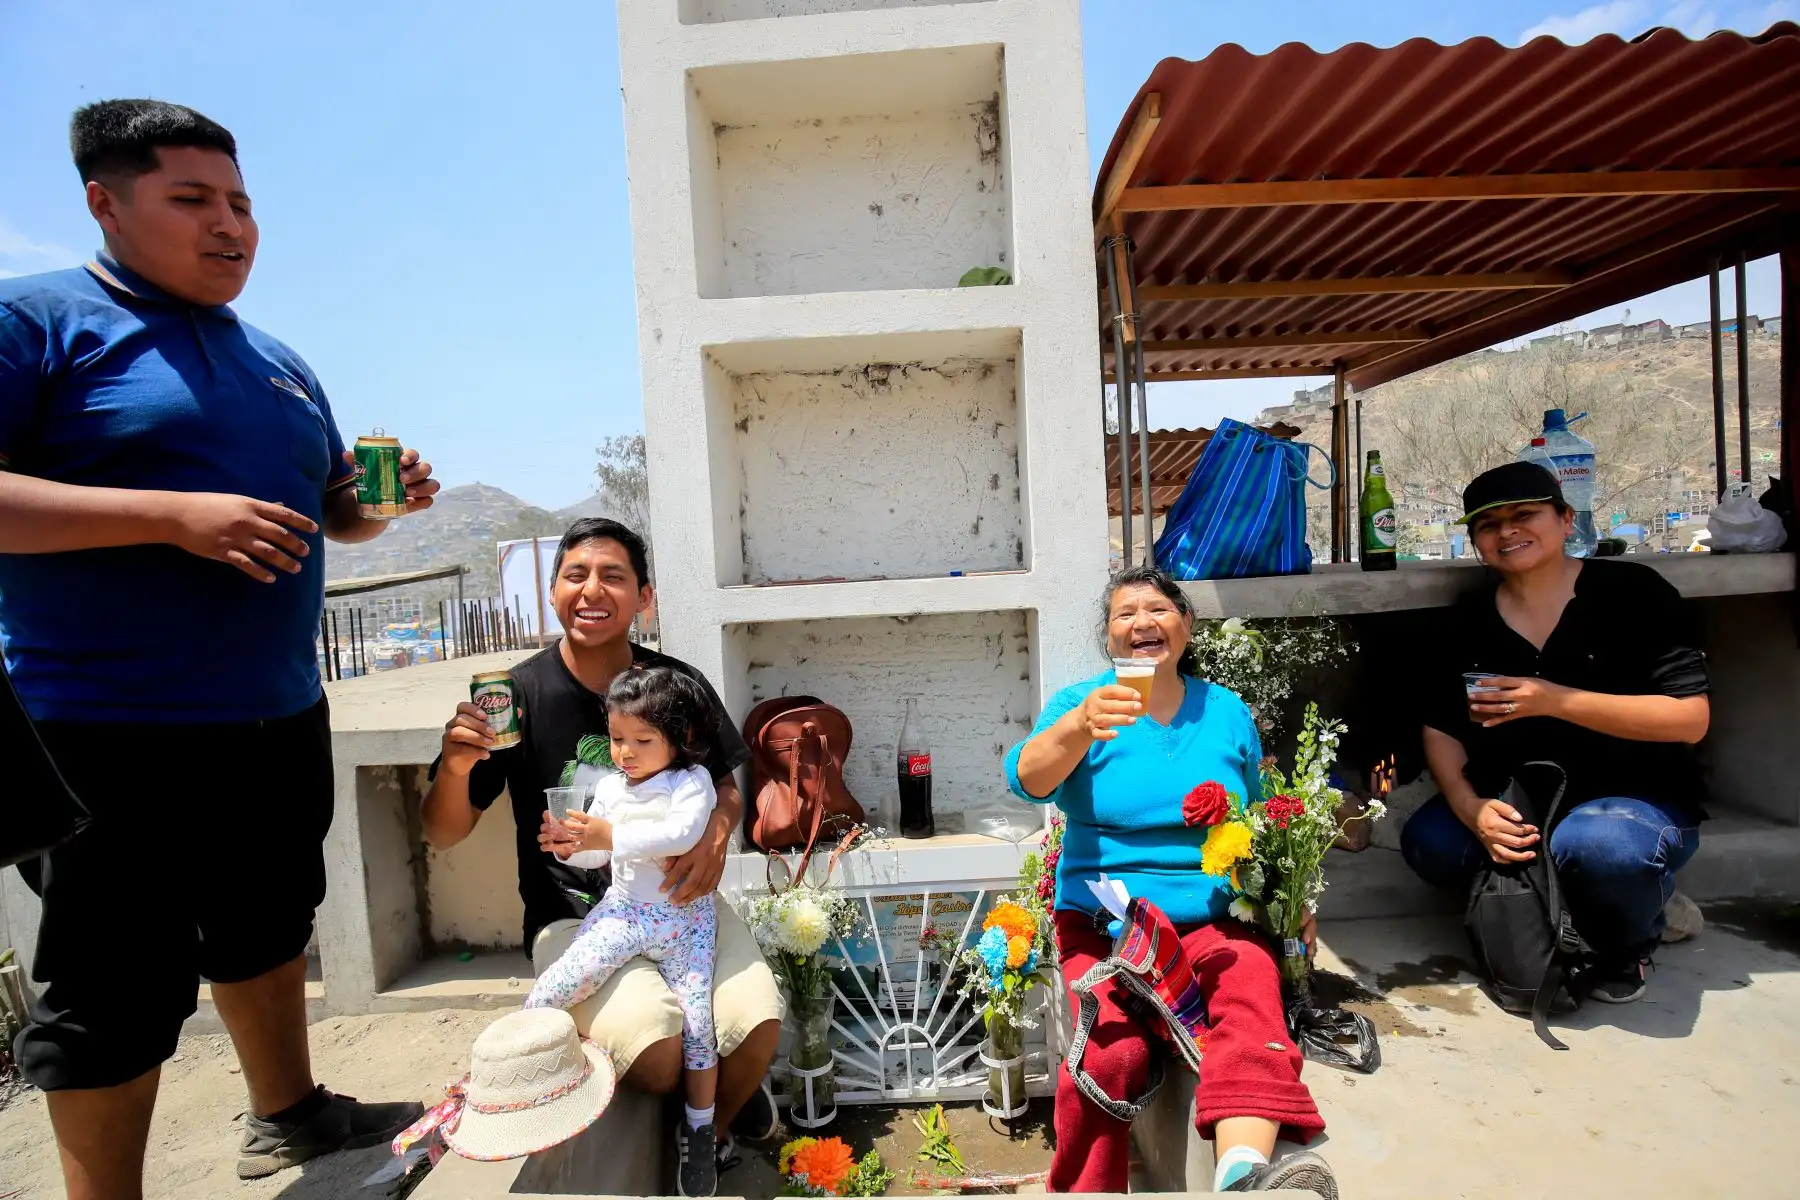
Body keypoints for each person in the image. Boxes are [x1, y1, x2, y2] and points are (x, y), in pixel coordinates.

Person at [0, 100, 439, 1196]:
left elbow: (333, 510)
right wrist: (167, 515)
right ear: (105, 202)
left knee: (266, 920)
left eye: (240, 202)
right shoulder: (39, 324)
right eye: (191, 200)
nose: (229, 225)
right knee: (114, 984)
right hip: (101, 721)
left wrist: (381, 507)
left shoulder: (280, 362)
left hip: (276, 708)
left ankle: (287, 1115)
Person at [421, 518, 783, 1175]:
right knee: (656, 1046)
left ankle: (711, 1129)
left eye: (613, 576)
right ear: (552, 593)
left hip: (682, 899)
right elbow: (443, 832)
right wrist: (453, 766)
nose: (592, 589)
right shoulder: (517, 695)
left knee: (756, 1020)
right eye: (575, 575)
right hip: (575, 916)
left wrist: (717, 837)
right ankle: (703, 1095)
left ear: (644, 596)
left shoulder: (676, 685)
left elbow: (728, 784)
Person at [1006, 565, 1337, 1197]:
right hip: (1107, 927)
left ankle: (1244, 1175)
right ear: (1108, 637)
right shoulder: (1081, 705)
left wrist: (1292, 899)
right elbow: (1028, 780)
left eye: (1158, 609)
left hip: (1216, 916)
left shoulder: (1225, 711)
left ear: (1185, 626)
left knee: (1250, 1003)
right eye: (1124, 614)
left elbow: (1260, 817)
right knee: (1111, 1052)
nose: (1142, 623)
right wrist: (1080, 725)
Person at [1401, 461, 1710, 1003]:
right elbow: (1441, 729)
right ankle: (1566, 905)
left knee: (1602, 849)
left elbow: (1689, 718)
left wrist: (1555, 701)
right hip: (1521, 796)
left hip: (1631, 799)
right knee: (1433, 843)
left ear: (1567, 519)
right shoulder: (1467, 619)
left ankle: (1631, 931)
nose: (1508, 532)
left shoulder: (1632, 593)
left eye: (1525, 515)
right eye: (1489, 525)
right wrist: (1472, 808)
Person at [528, 666, 726, 1197]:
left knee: (698, 1023)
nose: (625, 753)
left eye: (642, 739)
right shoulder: (611, 788)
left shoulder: (692, 783)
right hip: (627, 912)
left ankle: (701, 1126)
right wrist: (574, 843)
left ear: (680, 737)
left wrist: (607, 833)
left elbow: (680, 834)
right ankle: (531, 1082)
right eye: (617, 739)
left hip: (685, 919)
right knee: (554, 987)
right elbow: (599, 853)